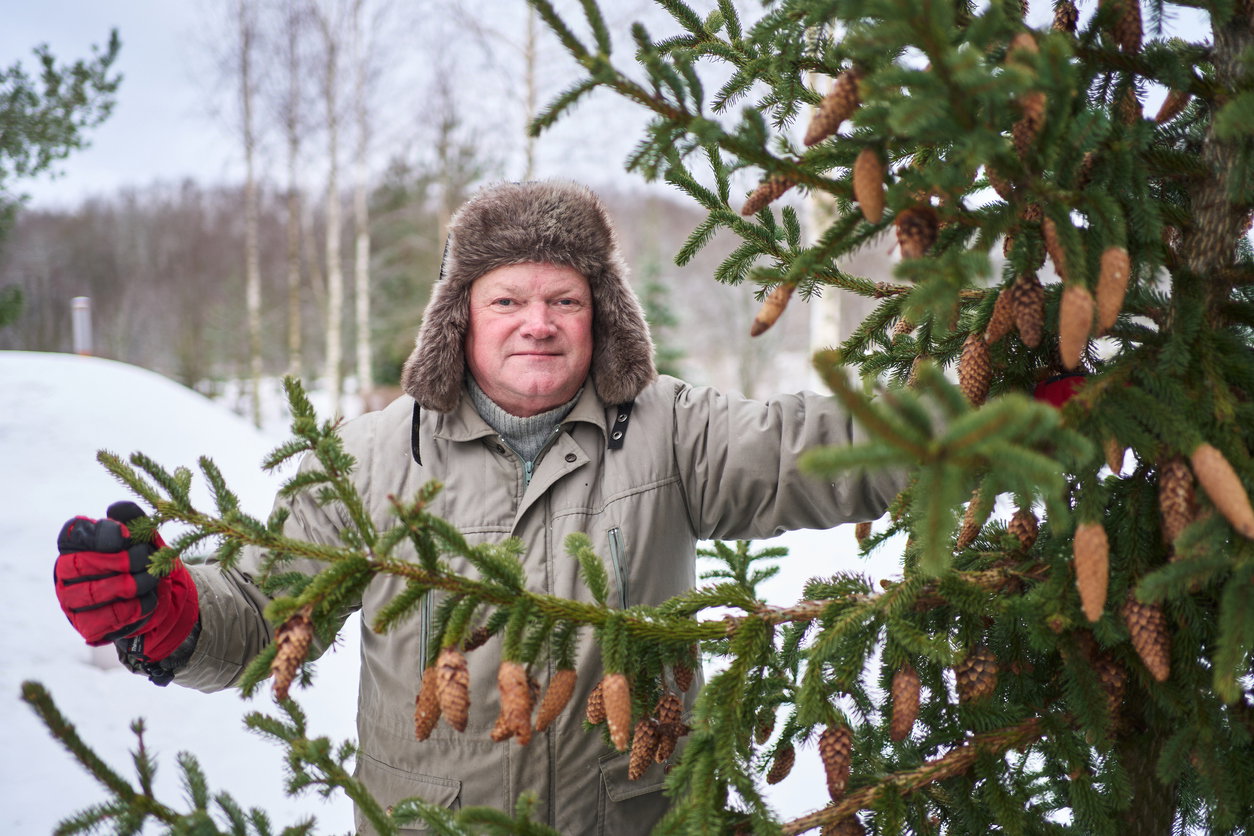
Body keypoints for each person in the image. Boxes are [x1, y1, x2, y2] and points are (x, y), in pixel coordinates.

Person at [54, 180, 904, 835]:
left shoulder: (670, 429)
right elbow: (260, 609)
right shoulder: (370, 459)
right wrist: (174, 615)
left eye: (563, 300)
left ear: (599, 315)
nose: (537, 323)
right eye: (508, 300)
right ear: (459, 317)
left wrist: (986, 408)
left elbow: (810, 448)